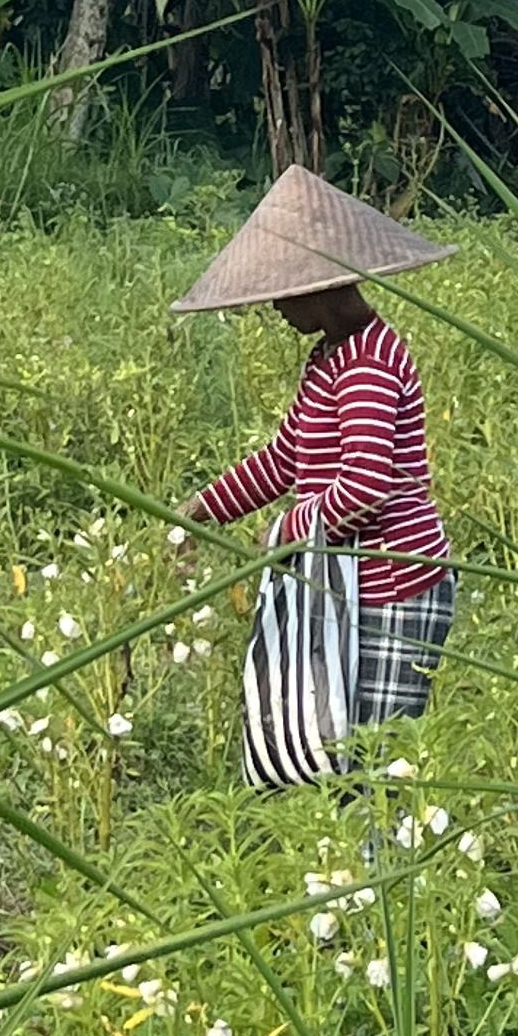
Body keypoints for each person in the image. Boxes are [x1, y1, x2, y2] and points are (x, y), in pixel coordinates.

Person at [171, 165, 458, 735]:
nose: (276, 309)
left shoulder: (368, 364)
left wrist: (283, 532)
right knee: (337, 747)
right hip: (349, 582)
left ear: (318, 287)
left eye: (282, 294)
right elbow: (286, 459)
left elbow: (367, 485)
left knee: (378, 757)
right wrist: (199, 509)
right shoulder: (332, 355)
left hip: (394, 585)